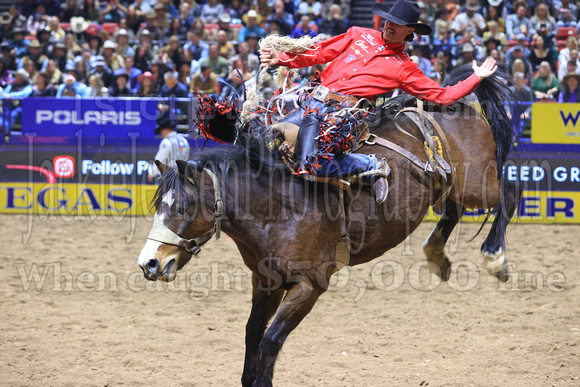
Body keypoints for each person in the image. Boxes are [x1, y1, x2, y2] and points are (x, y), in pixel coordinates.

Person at [259, 0, 498, 204]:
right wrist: (281, 59)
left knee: (312, 164)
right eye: (388, 19)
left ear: (409, 31)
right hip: (312, 103)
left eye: (397, 23)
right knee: (265, 139)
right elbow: (320, 52)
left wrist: (476, 77)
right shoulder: (357, 34)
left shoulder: (404, 68)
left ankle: (369, 164)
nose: (389, 24)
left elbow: (443, 96)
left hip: (342, 117)